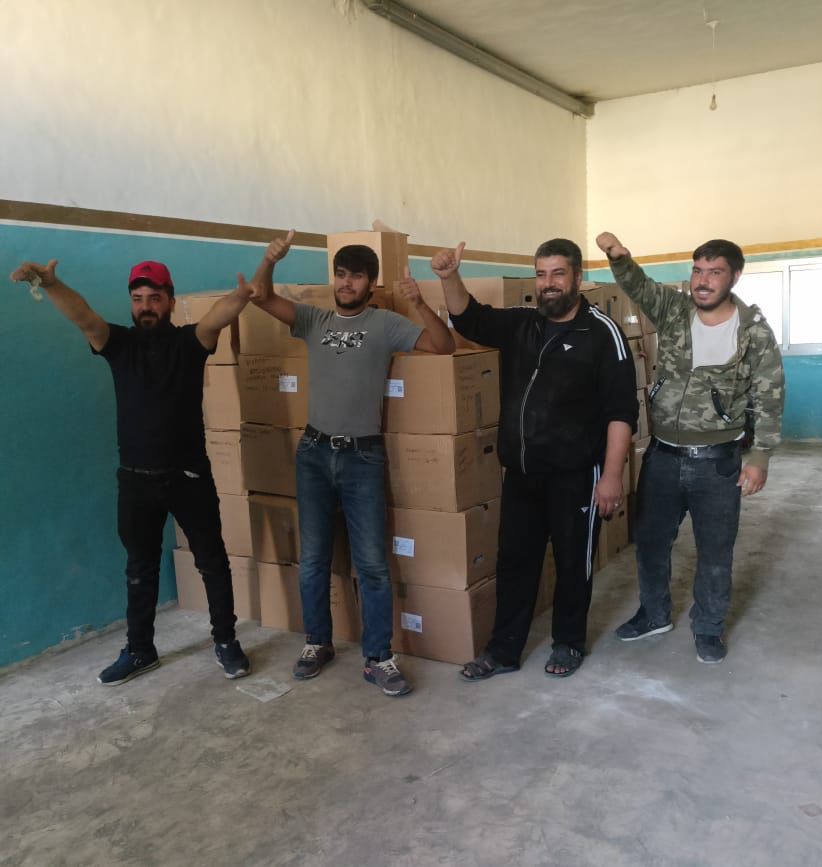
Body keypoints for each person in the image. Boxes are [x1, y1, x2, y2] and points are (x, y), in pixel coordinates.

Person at [9, 257, 257, 684]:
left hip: (189, 477)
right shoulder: (118, 343)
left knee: (212, 562)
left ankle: (225, 641)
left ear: (170, 301)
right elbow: (84, 316)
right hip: (136, 480)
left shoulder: (189, 342)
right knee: (139, 570)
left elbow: (216, 319)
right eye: (138, 298)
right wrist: (52, 285)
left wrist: (240, 297)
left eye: (155, 298)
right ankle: (141, 650)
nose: (146, 305)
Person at [248, 232, 454, 697]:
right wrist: (270, 260)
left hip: (362, 456)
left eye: (356, 275)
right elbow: (259, 295)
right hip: (314, 454)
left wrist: (419, 302)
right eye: (340, 274)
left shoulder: (386, 323)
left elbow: (443, 347)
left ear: (370, 283)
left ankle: (378, 657)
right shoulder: (314, 319)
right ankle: (317, 643)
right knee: (314, 560)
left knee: (373, 564)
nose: (346, 283)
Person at [432, 239, 637, 680]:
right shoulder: (523, 325)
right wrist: (449, 277)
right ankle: (503, 650)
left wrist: (613, 476)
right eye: (541, 275)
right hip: (522, 475)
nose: (547, 284)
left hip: (576, 475)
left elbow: (622, 412)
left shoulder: (603, 333)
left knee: (571, 564)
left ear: (577, 278)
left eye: (557, 274)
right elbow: (470, 318)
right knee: (515, 563)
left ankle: (568, 642)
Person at [595, 231, 785, 663]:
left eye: (714, 272)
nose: (703, 280)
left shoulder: (753, 332)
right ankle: (654, 614)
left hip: (718, 462)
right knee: (650, 541)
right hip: (662, 455)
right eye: (698, 270)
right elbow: (638, 287)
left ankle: (709, 628)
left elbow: (769, 394)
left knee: (715, 551)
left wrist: (760, 456)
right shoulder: (676, 311)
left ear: (734, 276)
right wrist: (619, 256)